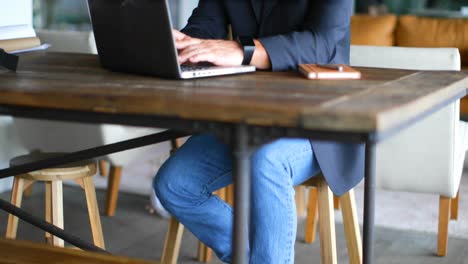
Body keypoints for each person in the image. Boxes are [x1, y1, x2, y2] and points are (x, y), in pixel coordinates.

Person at [153, 1, 364, 263]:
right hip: (251, 117)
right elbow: (206, 26)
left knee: (266, 161)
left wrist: (244, 50)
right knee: (175, 184)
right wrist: (183, 44)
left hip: (320, 120)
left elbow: (322, 42)